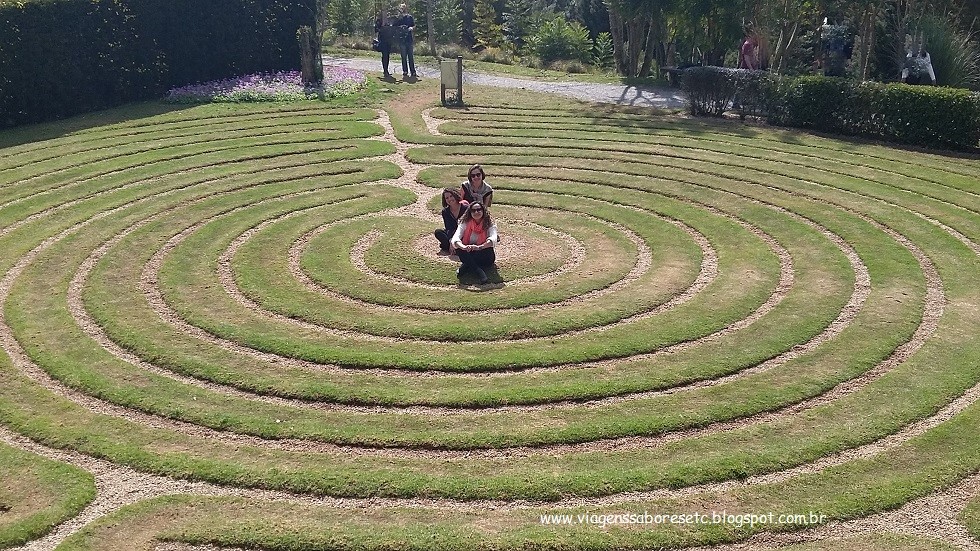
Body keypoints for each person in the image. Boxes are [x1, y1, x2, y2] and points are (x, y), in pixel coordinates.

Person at [451, 202, 497, 284]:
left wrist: (479, 247)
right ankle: (478, 271)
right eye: (473, 210)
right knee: (460, 249)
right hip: (469, 251)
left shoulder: (489, 223)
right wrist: (464, 247)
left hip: (484, 253)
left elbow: (493, 239)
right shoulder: (464, 223)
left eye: (479, 210)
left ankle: (466, 265)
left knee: (487, 250)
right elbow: (455, 238)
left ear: (483, 211)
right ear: (470, 212)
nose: (476, 212)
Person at [434, 188, 466, 254]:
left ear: (455, 195)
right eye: (447, 198)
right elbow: (449, 228)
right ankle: (455, 248)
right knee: (438, 232)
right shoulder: (445, 212)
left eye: (451, 196)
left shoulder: (466, 208)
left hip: (464, 233)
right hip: (452, 233)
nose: (449, 199)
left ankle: (451, 247)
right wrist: (451, 240)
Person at [394, 3, 417, 79]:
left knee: (410, 56)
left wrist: (411, 28)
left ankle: (413, 71)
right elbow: (395, 27)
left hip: (409, 39)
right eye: (401, 8)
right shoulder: (399, 18)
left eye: (403, 8)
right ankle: (405, 71)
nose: (402, 9)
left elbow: (414, 26)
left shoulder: (409, 17)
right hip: (402, 40)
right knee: (403, 57)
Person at [374, 13, 397, 78]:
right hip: (383, 40)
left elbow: (394, 29)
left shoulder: (390, 20)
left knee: (387, 56)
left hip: (389, 40)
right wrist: (381, 27)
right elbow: (376, 29)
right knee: (385, 55)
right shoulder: (379, 20)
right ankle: (385, 70)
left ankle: (386, 70)